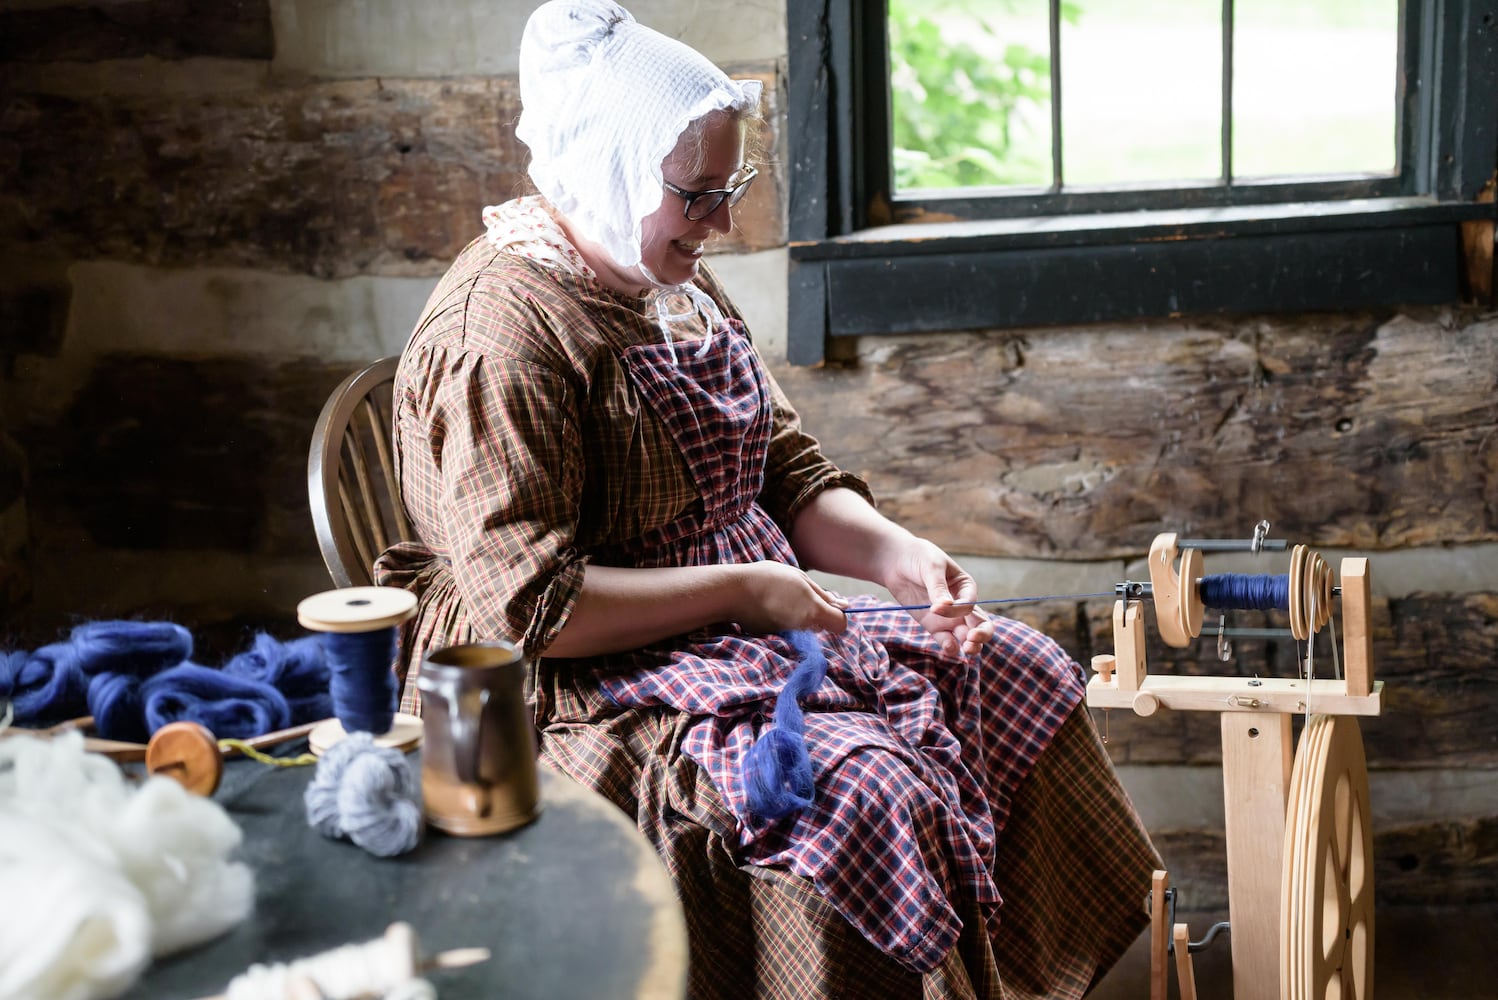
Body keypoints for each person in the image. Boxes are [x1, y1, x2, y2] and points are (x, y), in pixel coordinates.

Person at [375, 1, 1163, 997]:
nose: (725, 223)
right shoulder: (500, 337)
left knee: (1021, 670)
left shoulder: (663, 276)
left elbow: (783, 472)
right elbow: (531, 609)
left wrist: (897, 556)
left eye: (730, 187)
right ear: (607, 168)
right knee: (865, 792)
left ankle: (998, 983)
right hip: (575, 682)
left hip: (733, 627)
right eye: (697, 195)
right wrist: (746, 591)